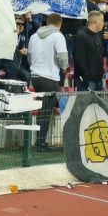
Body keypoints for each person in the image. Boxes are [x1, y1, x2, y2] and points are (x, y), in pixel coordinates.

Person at [28, 14, 68, 150]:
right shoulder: (58, 36)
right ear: (60, 24)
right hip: (49, 78)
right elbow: (63, 58)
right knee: (46, 111)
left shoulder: (34, 36)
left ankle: (40, 141)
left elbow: (29, 57)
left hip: (35, 77)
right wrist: (64, 68)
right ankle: (40, 144)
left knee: (44, 108)